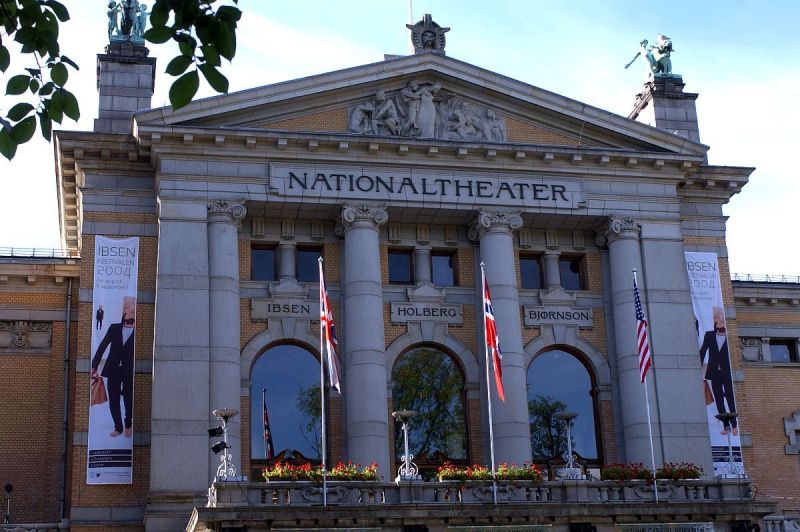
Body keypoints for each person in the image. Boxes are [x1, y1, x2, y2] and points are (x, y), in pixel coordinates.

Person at [91, 297, 136, 438]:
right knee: (114, 399)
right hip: (113, 369)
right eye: (128, 308)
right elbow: (103, 345)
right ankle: (118, 427)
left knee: (129, 398)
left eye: (133, 309)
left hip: (129, 370)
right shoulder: (114, 328)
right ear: (124, 310)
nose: (131, 311)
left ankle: (128, 424)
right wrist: (94, 366)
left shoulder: (138, 331)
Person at [699, 307, 738, 435]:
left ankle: (734, 425)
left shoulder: (730, 337)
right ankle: (725, 425)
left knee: (730, 397)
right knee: (719, 398)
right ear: (715, 324)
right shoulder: (709, 335)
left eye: (723, 320)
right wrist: (698, 365)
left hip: (726, 372)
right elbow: (703, 350)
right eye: (719, 320)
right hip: (714, 371)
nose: (721, 322)